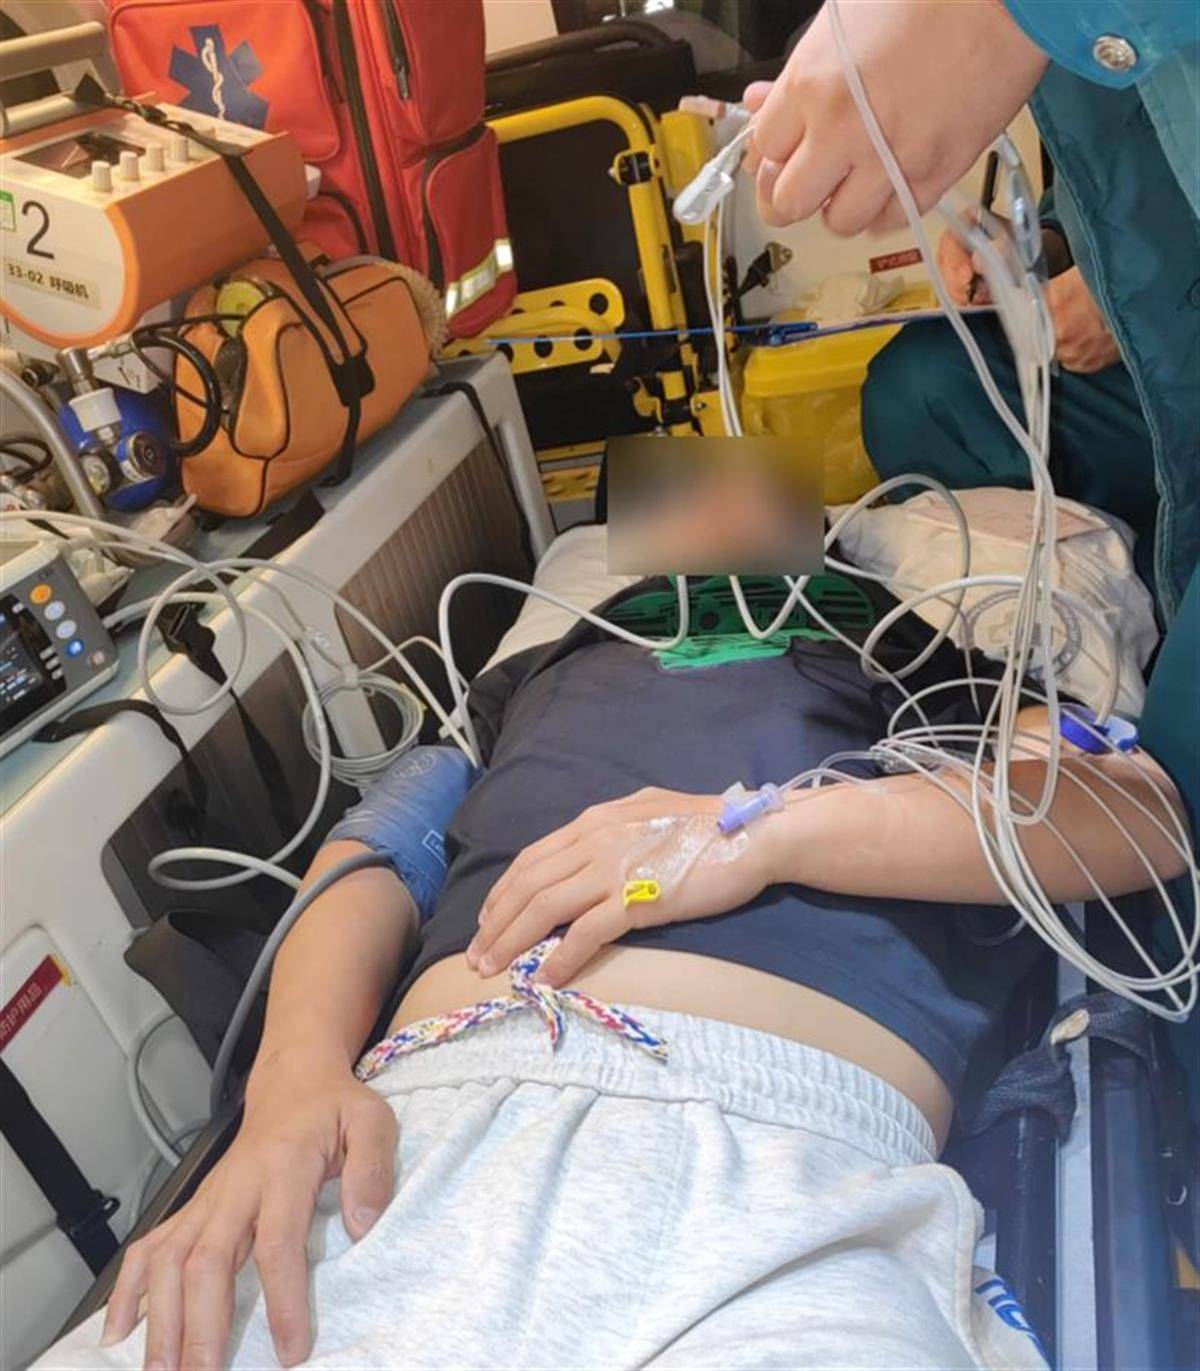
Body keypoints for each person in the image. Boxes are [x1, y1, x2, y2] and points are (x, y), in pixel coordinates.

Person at [39, 566, 1188, 1371]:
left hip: (779, 1185)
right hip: (402, 1147)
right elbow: (373, 851)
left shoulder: (904, 645)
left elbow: (1139, 816)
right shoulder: (543, 671)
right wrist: (292, 1077)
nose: (719, 499)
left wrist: (754, 833)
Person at [741, 1, 1200, 858]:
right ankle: (1130, 572)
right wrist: (1038, 251)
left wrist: (755, 841)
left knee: (1171, 791)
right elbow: (1120, 179)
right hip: (1152, 369)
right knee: (915, 389)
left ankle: (1158, 614)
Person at [860, 186, 1160, 589]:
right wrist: (1037, 248)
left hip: (1175, 339)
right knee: (914, 383)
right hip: (1140, 333)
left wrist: (1141, 300)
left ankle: (1137, 588)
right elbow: (1108, 187)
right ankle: (993, 597)